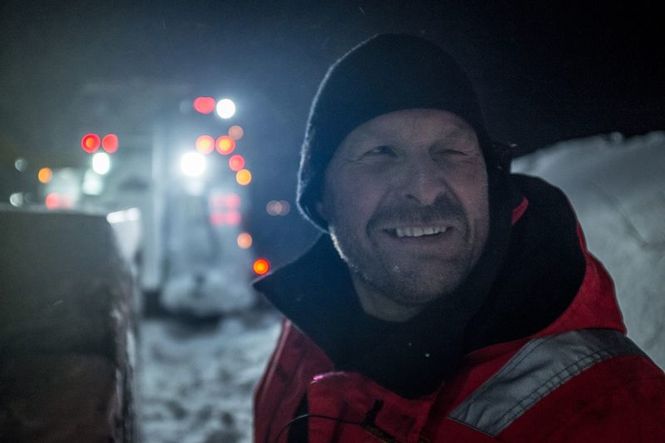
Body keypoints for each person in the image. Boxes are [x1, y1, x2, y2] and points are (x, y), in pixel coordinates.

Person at [252, 34, 665, 442]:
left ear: (489, 182)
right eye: (381, 153)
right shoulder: (304, 336)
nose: (424, 188)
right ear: (321, 197)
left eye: (451, 152)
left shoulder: (614, 406)